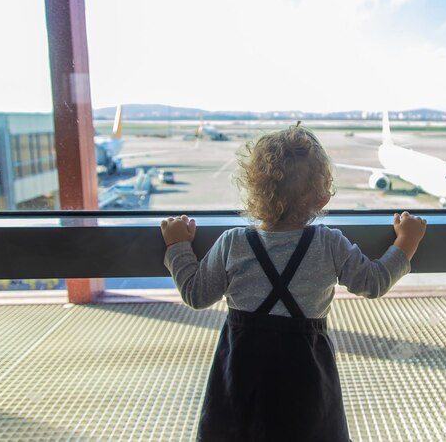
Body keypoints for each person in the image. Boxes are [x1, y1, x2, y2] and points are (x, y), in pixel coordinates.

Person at [160, 124, 427, 442]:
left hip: (244, 378)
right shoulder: (328, 244)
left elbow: (196, 294)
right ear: (322, 198)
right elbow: (374, 282)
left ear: (253, 191)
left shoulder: (233, 243)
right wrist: (406, 242)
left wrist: (178, 246)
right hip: (305, 377)